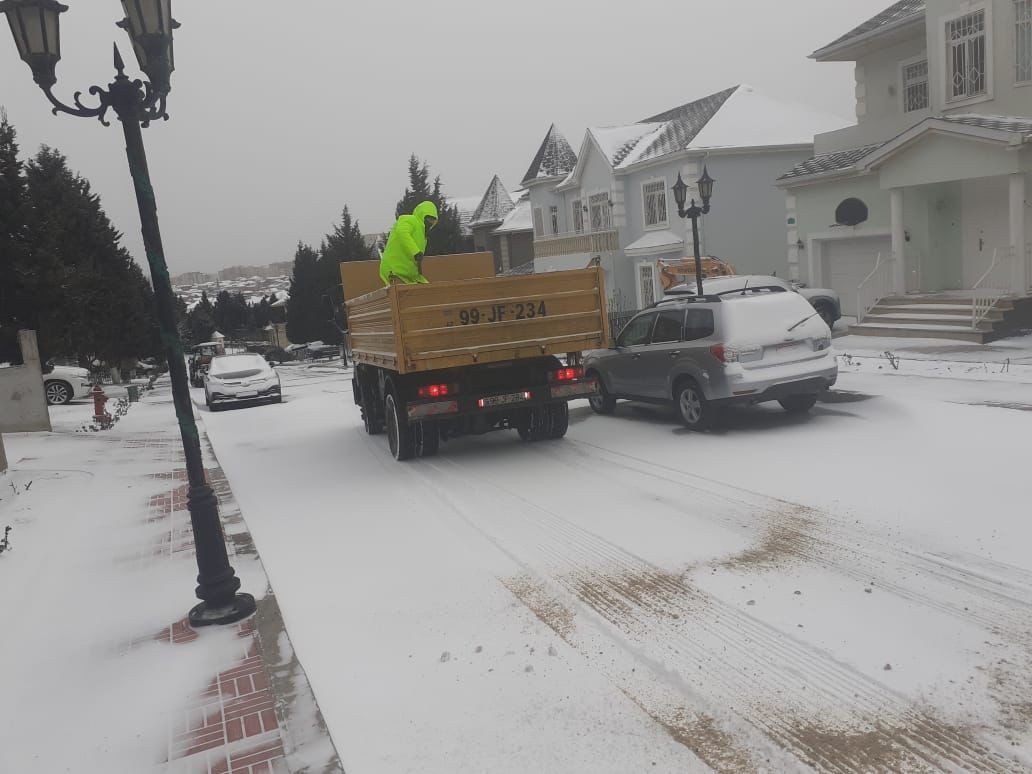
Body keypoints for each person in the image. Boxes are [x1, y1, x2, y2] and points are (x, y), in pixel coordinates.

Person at [379, 200, 439, 286]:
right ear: (422, 215)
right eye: (429, 218)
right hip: (395, 270)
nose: (430, 222)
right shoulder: (410, 219)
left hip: (409, 274)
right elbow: (402, 232)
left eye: (433, 220)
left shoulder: (423, 237)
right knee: (403, 295)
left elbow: (416, 259)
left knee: (429, 293)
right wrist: (416, 252)